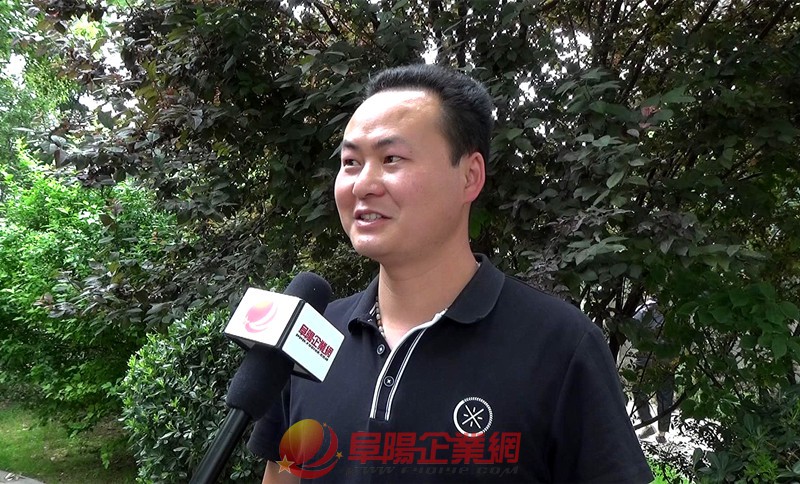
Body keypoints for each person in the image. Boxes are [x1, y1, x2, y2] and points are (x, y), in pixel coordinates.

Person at [248, 64, 652, 483]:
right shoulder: (312, 338)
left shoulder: (560, 346)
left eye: (391, 159)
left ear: (470, 176)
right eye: (351, 162)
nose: (363, 184)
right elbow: (284, 475)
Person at [631, 297, 675, 444]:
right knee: (665, 395)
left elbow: (632, 326)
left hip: (646, 358)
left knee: (639, 389)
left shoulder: (645, 309)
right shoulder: (675, 312)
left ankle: (647, 423)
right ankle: (662, 433)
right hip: (666, 359)